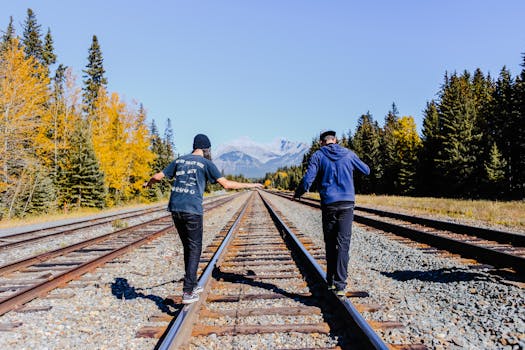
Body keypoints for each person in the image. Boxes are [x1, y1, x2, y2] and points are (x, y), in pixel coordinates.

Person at [144, 134, 262, 304]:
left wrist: (149, 184)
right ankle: (188, 291)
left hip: (175, 208)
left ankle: (191, 284)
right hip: (192, 209)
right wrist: (252, 185)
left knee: (188, 247)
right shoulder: (206, 163)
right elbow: (227, 185)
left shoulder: (180, 160)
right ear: (207, 149)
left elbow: (157, 176)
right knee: (195, 248)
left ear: (194, 146)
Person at [293, 130, 370, 296]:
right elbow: (366, 170)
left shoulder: (318, 156)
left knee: (330, 242)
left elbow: (308, 180)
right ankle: (340, 285)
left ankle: (330, 280)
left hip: (329, 204)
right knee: (343, 243)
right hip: (347, 204)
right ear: (335, 140)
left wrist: (298, 193)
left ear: (322, 142)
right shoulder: (348, 154)